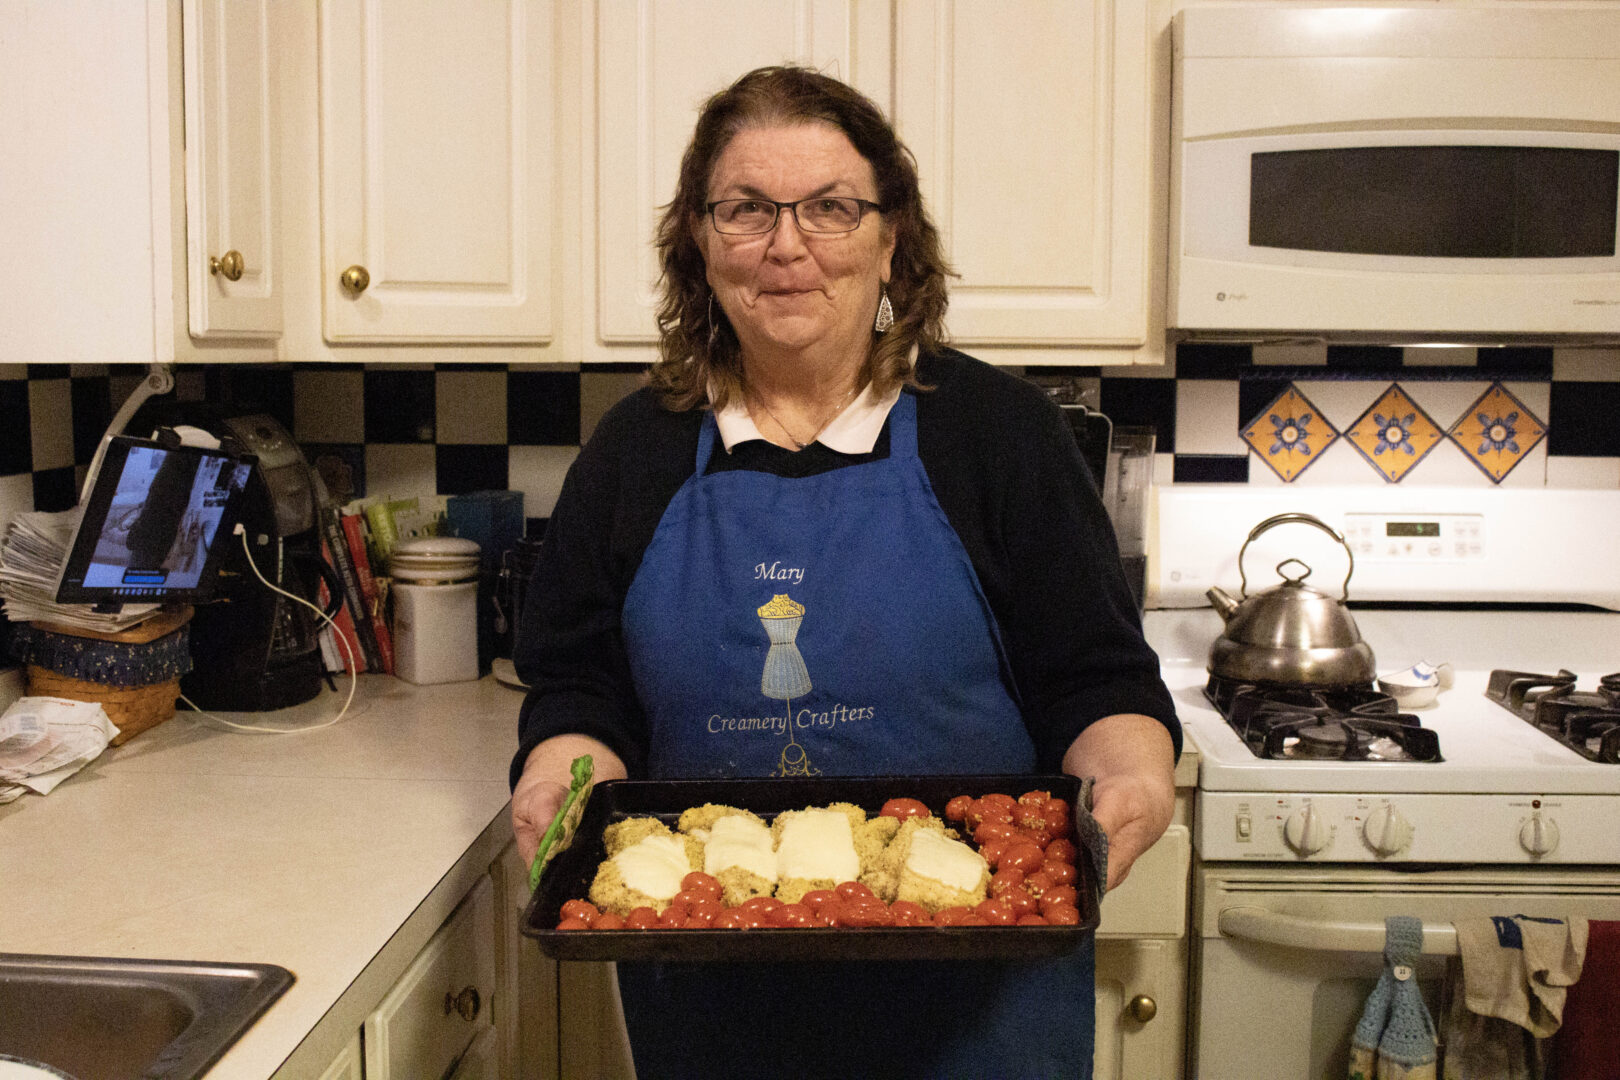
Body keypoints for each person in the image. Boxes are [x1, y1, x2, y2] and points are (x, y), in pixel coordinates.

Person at [510, 65, 1180, 1079]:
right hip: (710, 979)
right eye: (746, 210)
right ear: (698, 238)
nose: (788, 246)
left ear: (890, 236)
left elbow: (1096, 677)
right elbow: (579, 688)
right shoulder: (634, 452)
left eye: (830, 207)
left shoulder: (998, 436)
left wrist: (1134, 776)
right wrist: (560, 785)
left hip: (979, 990)